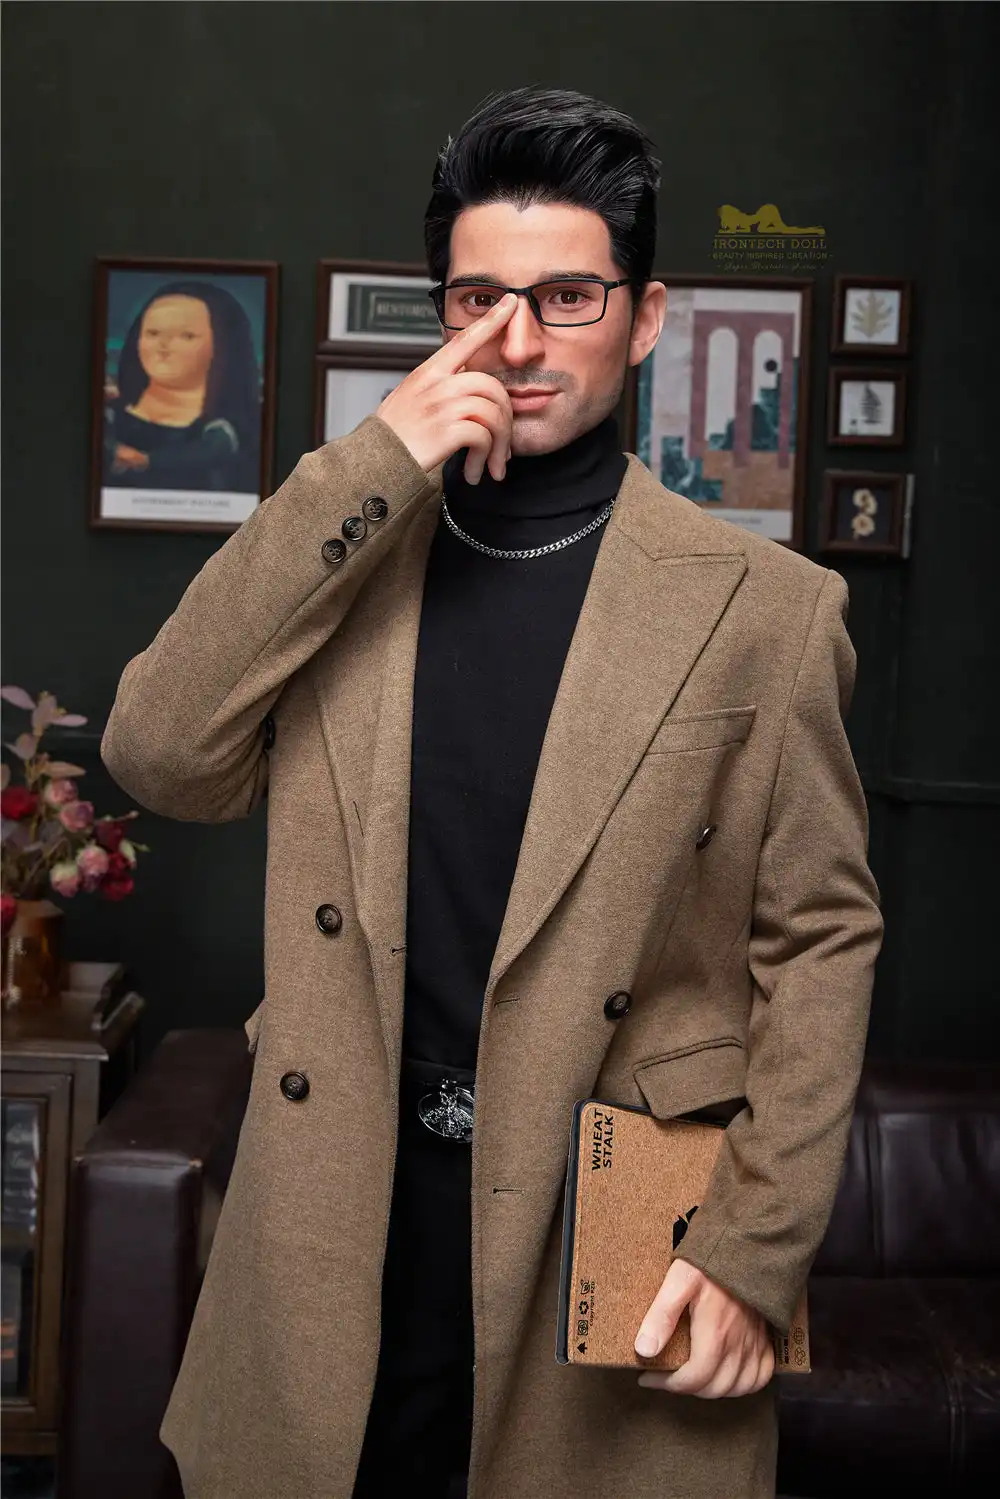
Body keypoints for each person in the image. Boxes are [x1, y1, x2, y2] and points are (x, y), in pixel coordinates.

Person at [102, 86, 883, 1499]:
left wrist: (752, 1244)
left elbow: (819, 937)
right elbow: (160, 752)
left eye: (567, 296)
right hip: (338, 1201)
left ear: (643, 318)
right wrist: (374, 463)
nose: (517, 340)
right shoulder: (346, 555)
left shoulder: (767, 609)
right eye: (478, 299)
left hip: (603, 1208)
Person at [103, 280, 260, 494]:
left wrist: (146, 461)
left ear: (222, 345)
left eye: (186, 336)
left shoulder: (238, 435)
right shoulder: (106, 420)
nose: (163, 344)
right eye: (153, 333)